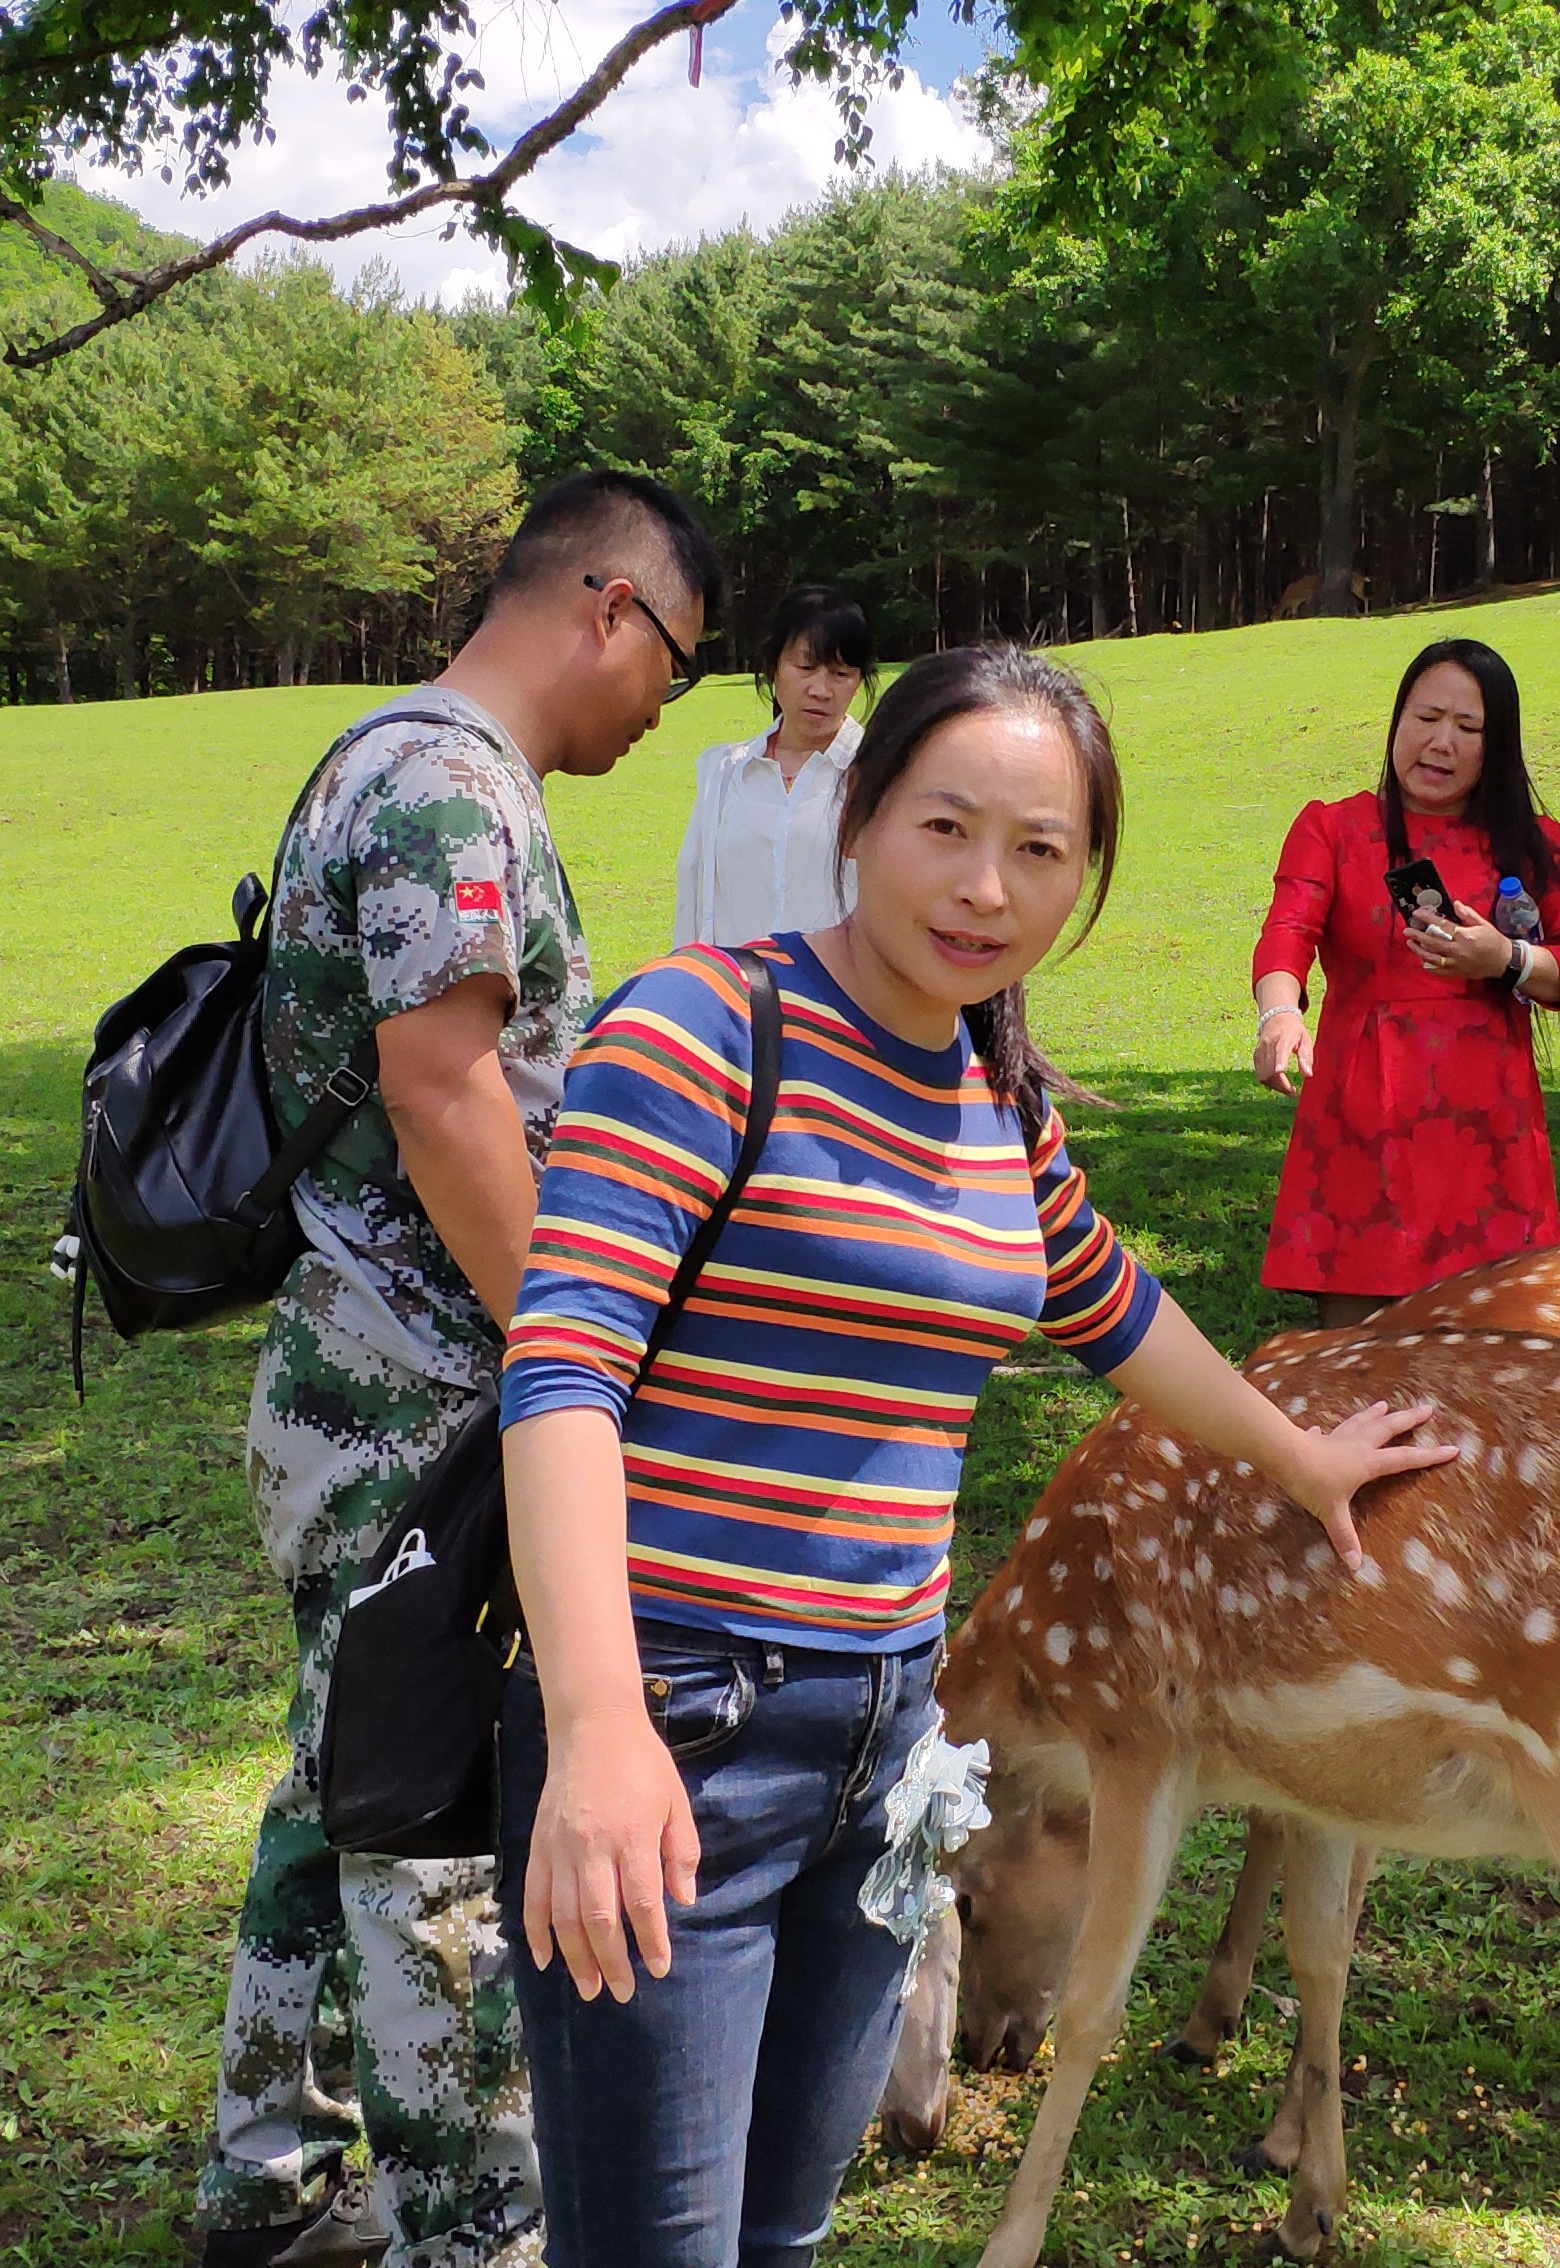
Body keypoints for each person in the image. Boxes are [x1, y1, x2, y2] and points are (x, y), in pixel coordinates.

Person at [490, 646, 1456, 2268]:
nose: (984, 888)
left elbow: (1108, 1299)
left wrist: (1299, 1454)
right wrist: (591, 1728)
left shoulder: (990, 1096)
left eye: (1040, 850)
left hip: (887, 1745)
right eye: (945, 827)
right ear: (859, 815)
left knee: (786, 2227)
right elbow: (560, 1367)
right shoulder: (703, 1026)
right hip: (676, 1725)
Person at [203, 470, 724, 2268]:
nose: (666, 708)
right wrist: (565, 1355)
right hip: (413, 1396)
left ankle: (267, 2177)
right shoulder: (447, 785)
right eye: (675, 657)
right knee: (426, 1830)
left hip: (360, 1383)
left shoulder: (389, 756)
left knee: (338, 1769)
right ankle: (476, 2233)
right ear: (606, 605)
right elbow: (444, 1092)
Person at [1248, 637, 1560, 1326]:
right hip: (1363, 1127)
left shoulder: (1540, 845)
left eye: (1468, 727)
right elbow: (1287, 934)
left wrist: (1507, 959)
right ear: (1397, 721)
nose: (1440, 742)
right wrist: (1278, 1015)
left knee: (1495, 1369)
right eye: (1426, 718)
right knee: (1359, 1370)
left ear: (1496, 746)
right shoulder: (1333, 830)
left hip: (1490, 1143)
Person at [669, 584, 871, 947]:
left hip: (839, 998)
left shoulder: (878, 774)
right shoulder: (724, 772)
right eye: (805, 667)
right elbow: (694, 895)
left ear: (858, 682)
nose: (821, 690)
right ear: (773, 666)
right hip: (736, 993)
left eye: (840, 674)